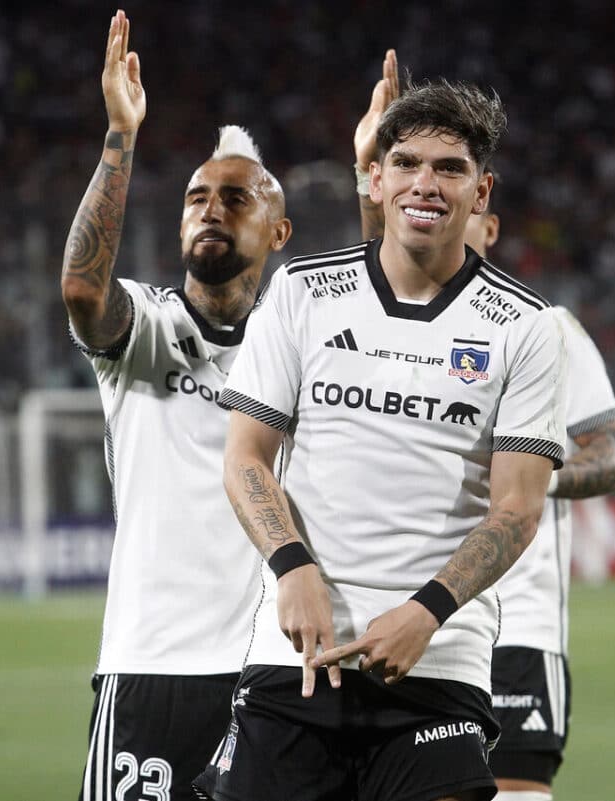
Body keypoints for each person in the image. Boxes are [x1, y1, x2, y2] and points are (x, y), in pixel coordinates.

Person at [198, 78, 569, 801]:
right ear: (375, 178)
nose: (425, 183)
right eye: (406, 163)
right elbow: (245, 458)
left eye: (450, 168)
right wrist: (292, 568)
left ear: (481, 192)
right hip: (299, 653)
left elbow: (518, 509)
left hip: (437, 660)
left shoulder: (525, 328)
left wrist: (425, 612)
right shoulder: (302, 292)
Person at [355, 52, 615, 801]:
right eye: (410, 172)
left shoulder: (545, 330)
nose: (430, 199)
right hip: (401, 613)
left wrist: (523, 474)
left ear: (486, 213)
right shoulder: (382, 328)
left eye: (452, 180)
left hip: (517, 624)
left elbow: (613, 458)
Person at [60, 11, 293, 801]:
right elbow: (81, 290)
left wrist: (373, 183)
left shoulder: (296, 346)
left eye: (236, 197)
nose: (211, 208)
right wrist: (120, 136)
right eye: (197, 196)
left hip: (270, 675)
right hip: (150, 665)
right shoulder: (147, 328)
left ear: (279, 231)